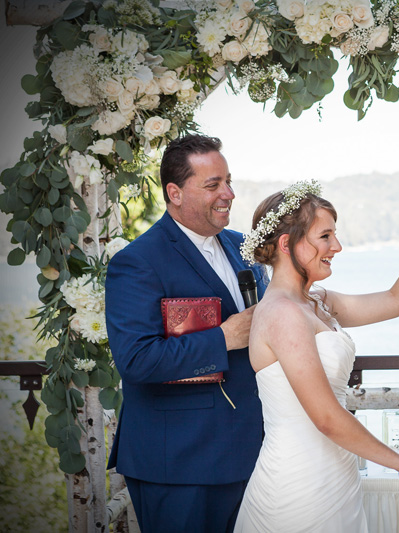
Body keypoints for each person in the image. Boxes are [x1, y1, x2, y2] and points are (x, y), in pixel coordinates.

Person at [233, 181, 399, 532]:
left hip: (337, 476)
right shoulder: (281, 313)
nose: (336, 247)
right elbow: (325, 417)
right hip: (299, 487)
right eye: (325, 236)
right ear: (286, 244)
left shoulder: (317, 302)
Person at [105, 134, 268, 532]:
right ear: (174, 192)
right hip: (178, 462)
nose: (228, 193)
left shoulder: (243, 247)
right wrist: (224, 338)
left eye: (228, 181)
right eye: (213, 185)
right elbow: (136, 360)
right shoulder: (137, 262)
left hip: (254, 452)